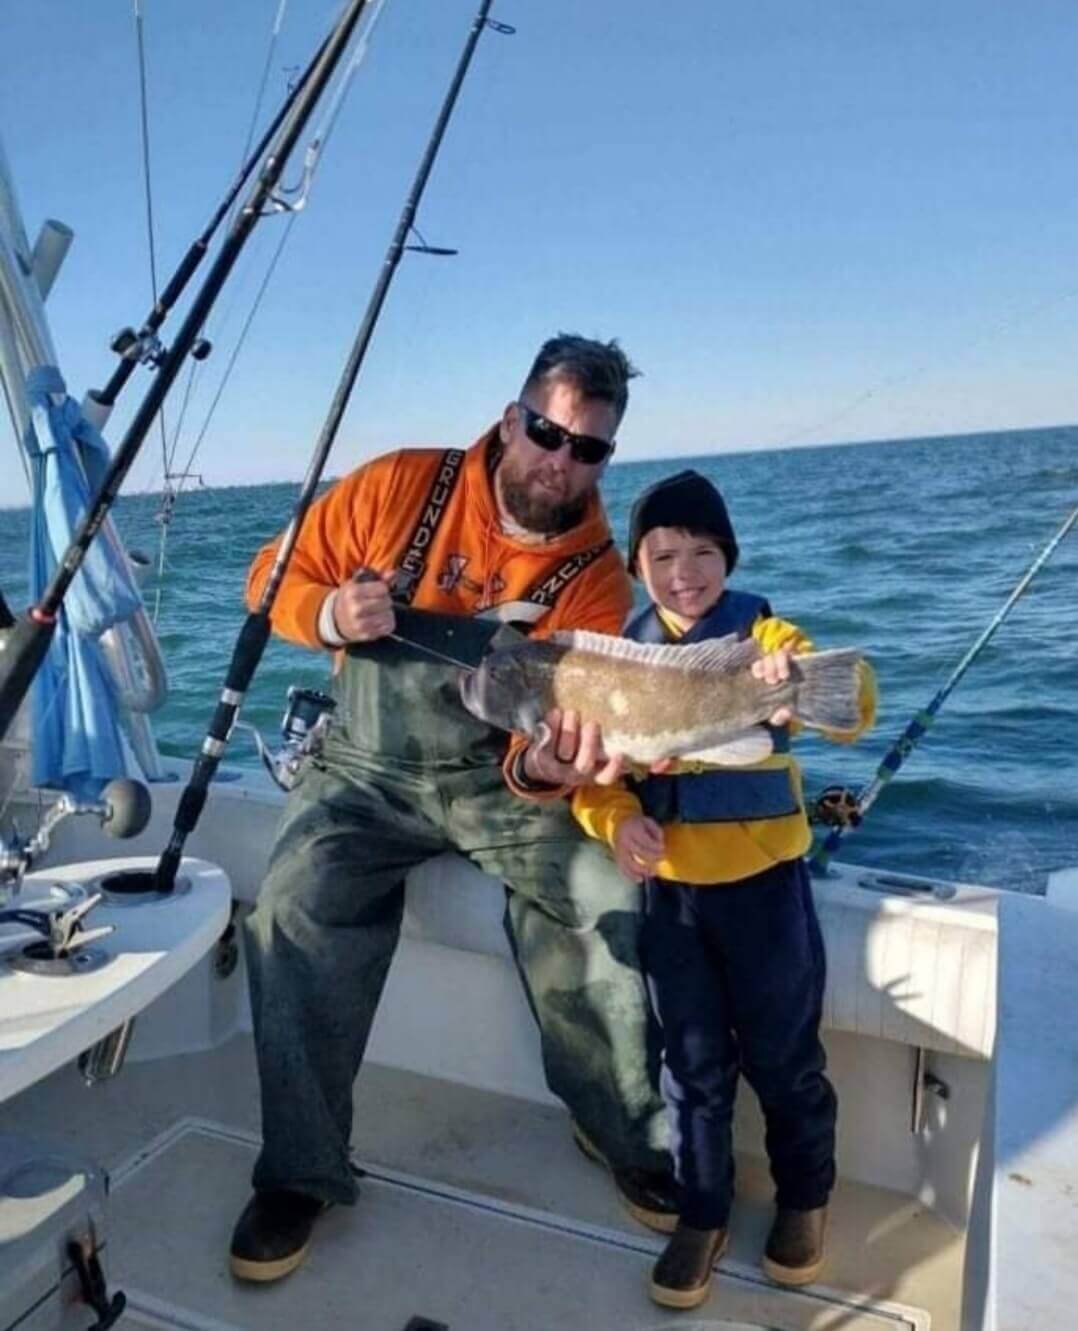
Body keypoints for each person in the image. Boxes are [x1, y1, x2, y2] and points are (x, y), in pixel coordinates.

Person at [229, 334, 677, 1283]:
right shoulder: (398, 485)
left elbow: (547, 748)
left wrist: (553, 763)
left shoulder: (597, 575)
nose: (561, 462)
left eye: (588, 449)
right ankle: (301, 1171)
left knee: (601, 890)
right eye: (548, 432)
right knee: (294, 905)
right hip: (361, 768)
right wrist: (328, 615)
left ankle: (622, 1127)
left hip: (494, 782)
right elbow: (268, 576)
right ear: (513, 416)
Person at [572, 469, 877, 1310]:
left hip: (766, 889)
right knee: (693, 1066)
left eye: (703, 551)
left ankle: (805, 1198)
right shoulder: (613, 651)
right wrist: (615, 822)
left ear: (729, 557)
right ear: (638, 565)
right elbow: (596, 781)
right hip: (672, 898)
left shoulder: (762, 629)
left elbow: (853, 704)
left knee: (786, 1059)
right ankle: (702, 1211)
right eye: (663, 553)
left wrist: (800, 679)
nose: (685, 570)